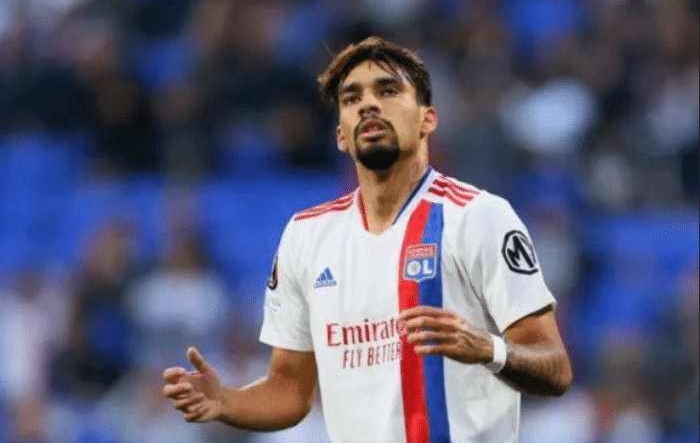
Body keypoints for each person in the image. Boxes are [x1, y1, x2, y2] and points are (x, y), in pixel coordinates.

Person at [162, 36, 573, 443]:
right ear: (341, 135)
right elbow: (290, 390)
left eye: (388, 91)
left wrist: (487, 348)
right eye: (351, 98)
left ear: (428, 119)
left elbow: (555, 369)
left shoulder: (479, 217)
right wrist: (226, 401)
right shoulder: (306, 236)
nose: (368, 105)